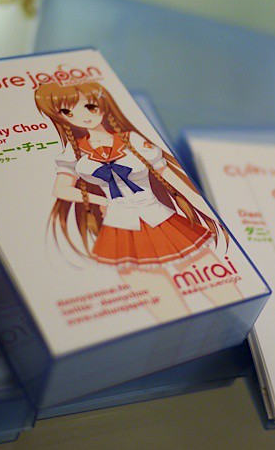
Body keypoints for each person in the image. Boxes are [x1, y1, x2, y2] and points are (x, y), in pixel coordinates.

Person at [35, 80, 243, 321]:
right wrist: (100, 200)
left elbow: (170, 178)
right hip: (119, 227)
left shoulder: (132, 140)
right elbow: (61, 189)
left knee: (224, 292)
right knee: (167, 310)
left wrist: (208, 210)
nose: (83, 116)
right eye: (68, 112)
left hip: (161, 219)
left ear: (103, 105)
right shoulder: (73, 153)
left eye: (90, 107)